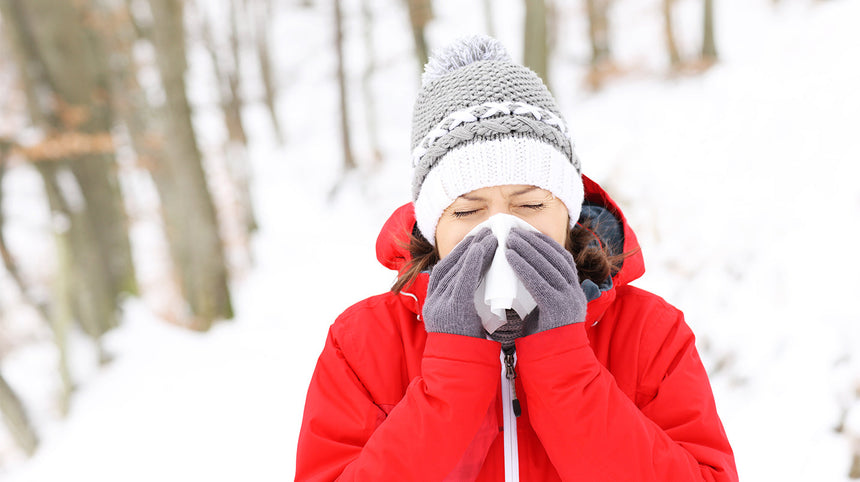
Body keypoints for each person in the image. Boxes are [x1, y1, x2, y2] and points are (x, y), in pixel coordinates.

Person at [295, 35, 737, 481]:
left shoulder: (650, 335)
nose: (500, 230)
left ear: (568, 213)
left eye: (530, 206)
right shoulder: (364, 344)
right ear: (433, 228)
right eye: (468, 211)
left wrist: (565, 366)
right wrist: (453, 375)